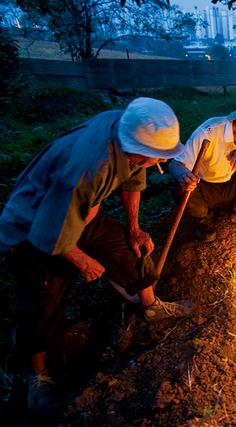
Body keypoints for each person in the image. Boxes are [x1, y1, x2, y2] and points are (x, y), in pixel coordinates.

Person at [0, 97, 193, 412]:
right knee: (44, 299)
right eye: (154, 159)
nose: (157, 164)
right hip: (33, 226)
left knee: (128, 253)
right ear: (137, 150)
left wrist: (133, 228)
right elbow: (50, 233)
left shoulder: (126, 125)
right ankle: (36, 375)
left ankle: (151, 306)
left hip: (82, 212)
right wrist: (82, 260)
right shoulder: (86, 170)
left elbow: (132, 178)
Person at [168, 97, 236, 241]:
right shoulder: (208, 132)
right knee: (180, 186)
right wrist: (185, 176)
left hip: (231, 186)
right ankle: (203, 220)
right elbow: (175, 164)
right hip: (205, 190)